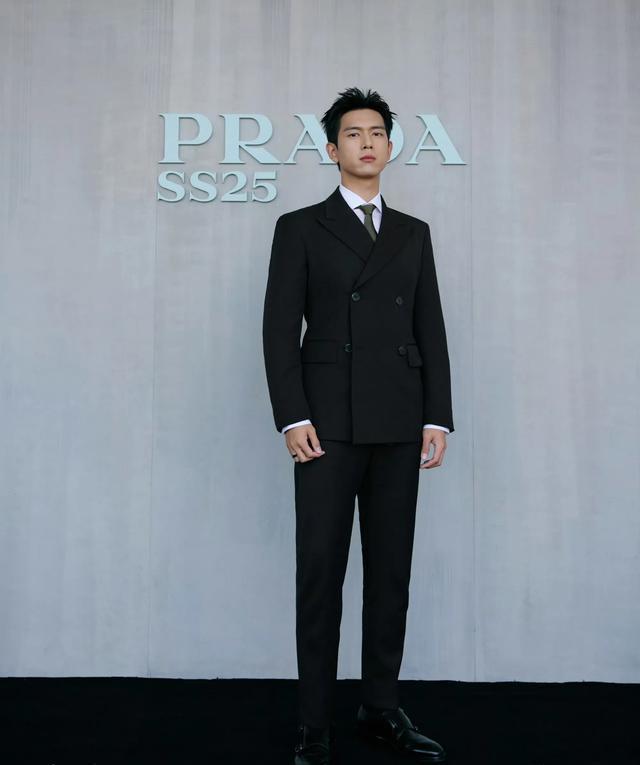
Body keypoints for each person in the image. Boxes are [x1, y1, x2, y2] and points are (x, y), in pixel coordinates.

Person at [262, 86, 454, 765]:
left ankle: (380, 706)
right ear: (331, 148)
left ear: (390, 146)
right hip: (326, 422)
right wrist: (292, 415)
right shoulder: (300, 228)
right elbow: (279, 331)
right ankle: (314, 721)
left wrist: (437, 415)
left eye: (376, 133)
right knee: (321, 571)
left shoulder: (412, 232)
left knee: (391, 572)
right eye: (353, 133)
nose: (366, 143)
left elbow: (429, 327)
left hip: (399, 419)